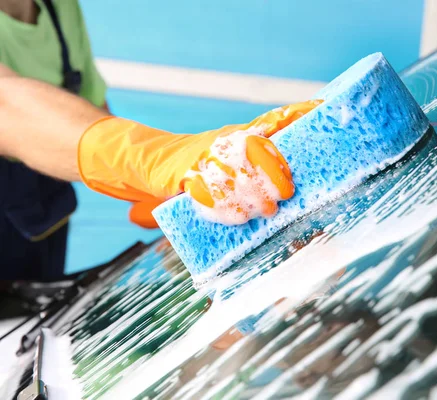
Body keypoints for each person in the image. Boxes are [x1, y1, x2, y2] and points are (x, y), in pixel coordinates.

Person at [0, 0, 319, 282]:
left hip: (29, 278)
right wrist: (163, 159)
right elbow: (9, 106)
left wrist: (178, 201)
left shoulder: (57, 8)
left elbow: (87, 117)